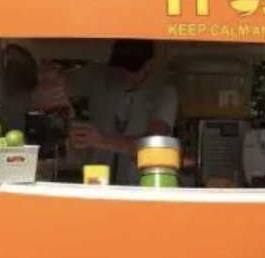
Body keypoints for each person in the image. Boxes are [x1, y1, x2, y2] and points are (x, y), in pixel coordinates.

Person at [32, 40, 178, 185]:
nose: (123, 78)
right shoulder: (97, 75)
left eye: (131, 74)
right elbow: (53, 87)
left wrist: (102, 141)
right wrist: (50, 77)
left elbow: (153, 145)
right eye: (118, 73)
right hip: (96, 180)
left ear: (149, 66)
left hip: (141, 185)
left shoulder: (164, 93)